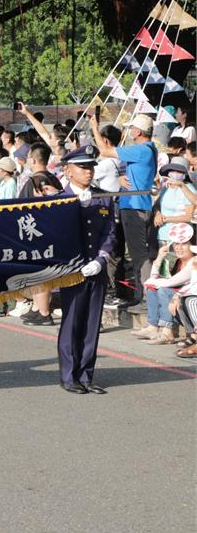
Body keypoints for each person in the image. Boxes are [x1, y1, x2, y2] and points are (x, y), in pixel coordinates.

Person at [56, 145, 116, 394]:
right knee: (72, 322)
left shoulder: (103, 196)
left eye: (90, 166)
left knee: (92, 324)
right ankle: (69, 376)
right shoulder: (59, 200)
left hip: (96, 268)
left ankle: (86, 374)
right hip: (73, 270)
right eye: (82, 167)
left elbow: (110, 232)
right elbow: (56, 236)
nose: (88, 172)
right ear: (68, 171)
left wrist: (101, 260)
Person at [92, 111, 156, 309]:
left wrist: (94, 125)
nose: (129, 131)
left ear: (138, 131)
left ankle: (145, 299)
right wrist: (120, 179)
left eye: (131, 128)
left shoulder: (141, 149)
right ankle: (140, 296)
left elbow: (103, 150)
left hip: (134, 207)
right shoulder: (149, 148)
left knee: (139, 255)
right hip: (138, 204)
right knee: (138, 254)